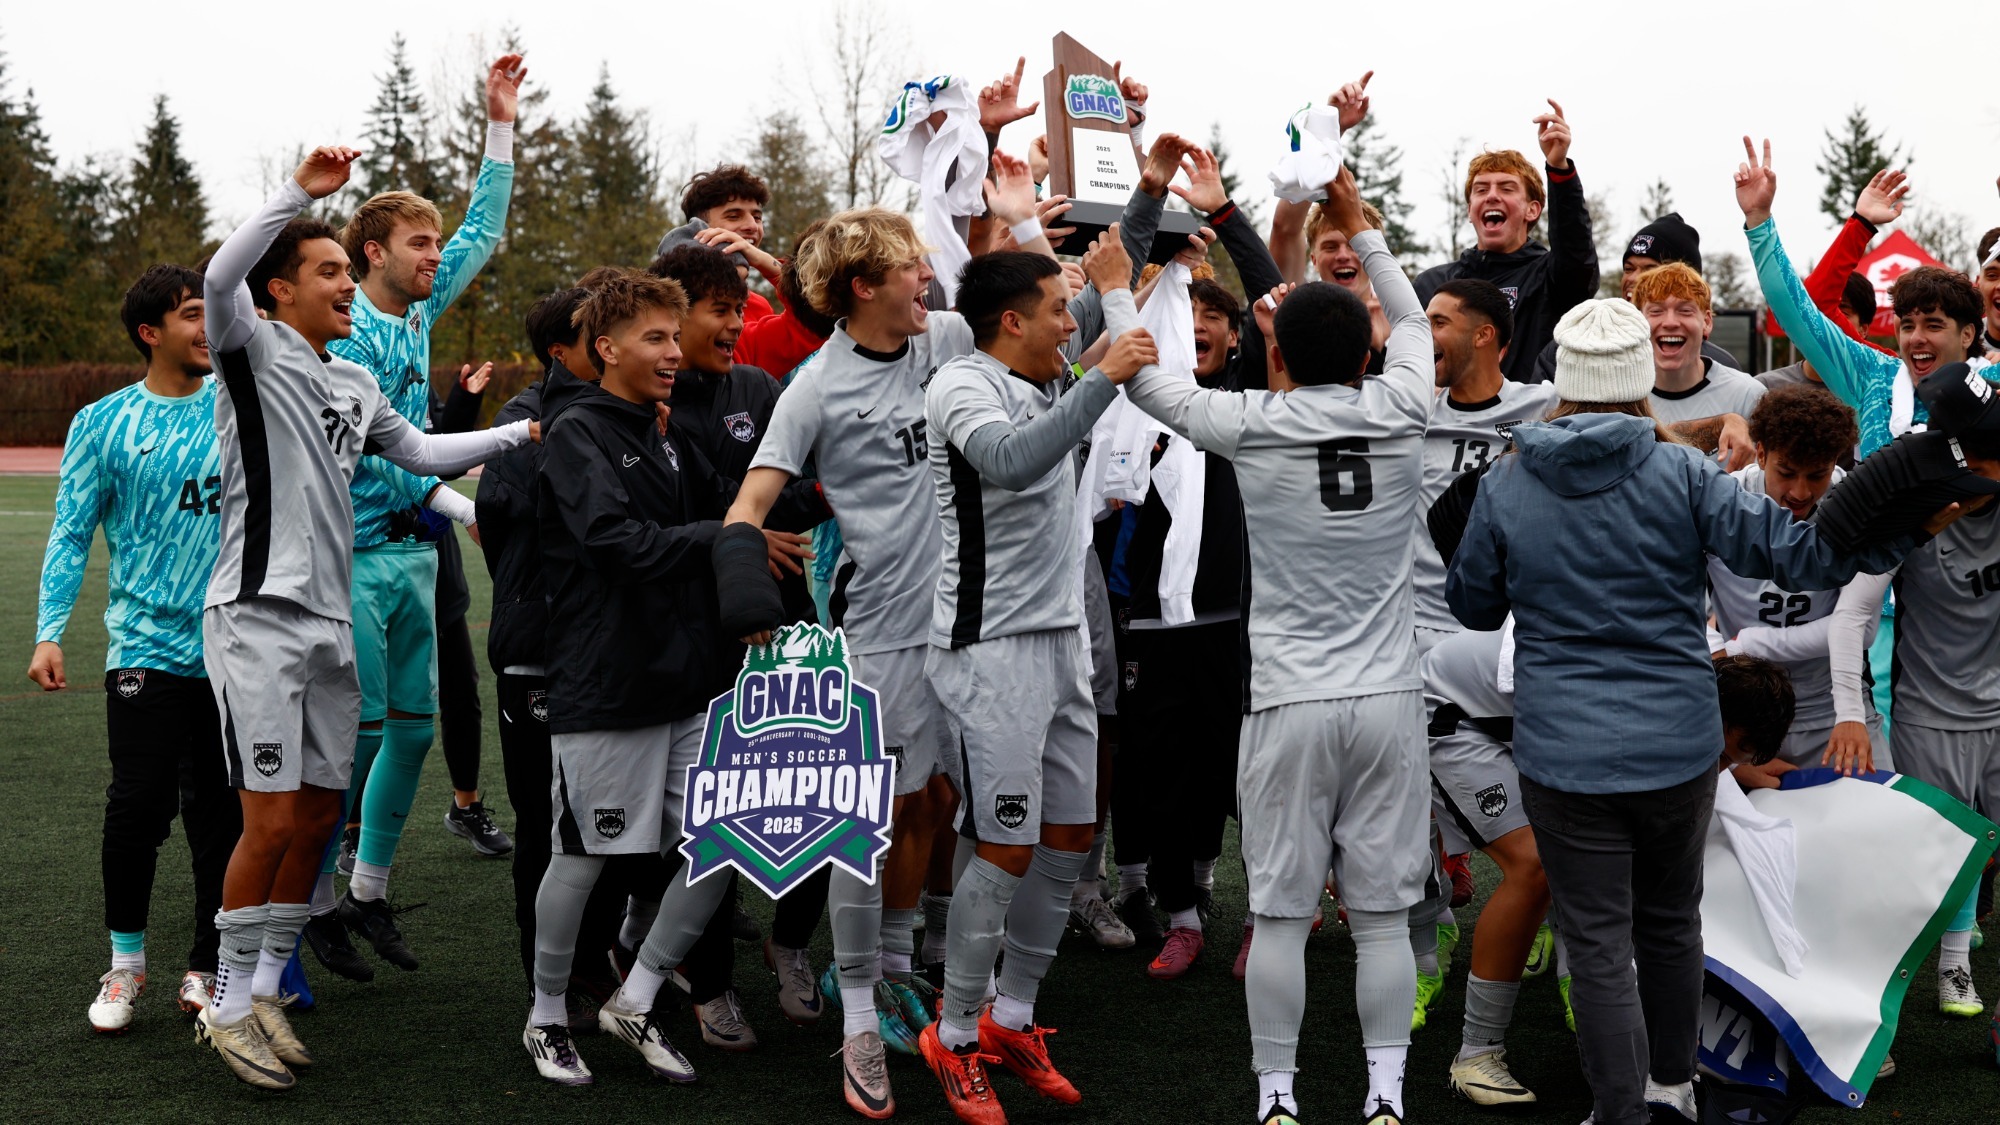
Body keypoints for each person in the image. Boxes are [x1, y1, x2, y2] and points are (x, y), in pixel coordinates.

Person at [1445, 297, 1935, 1125]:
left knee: (1598, 941)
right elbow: (1800, 553)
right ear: (1640, 378)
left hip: (1565, 752)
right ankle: (1672, 1084)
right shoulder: (1686, 474)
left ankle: (1620, 1107)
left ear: (1563, 378)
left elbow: (1473, 604)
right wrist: (1900, 521)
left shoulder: (1508, 481)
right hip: (1677, 744)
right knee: (1671, 923)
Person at [720, 157, 1054, 1119]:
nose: (928, 281)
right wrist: (748, 600)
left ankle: (918, 972)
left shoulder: (949, 337)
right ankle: (859, 1011)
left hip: (985, 625)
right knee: (869, 822)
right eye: (910, 267)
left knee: (951, 806)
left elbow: (1033, 306)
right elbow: (751, 502)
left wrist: (1012, 200)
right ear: (862, 286)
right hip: (885, 634)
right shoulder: (814, 387)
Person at [196, 146, 534, 1090]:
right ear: (281, 291)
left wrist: (518, 430)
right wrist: (300, 195)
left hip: (329, 622)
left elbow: (422, 451)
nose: (347, 283)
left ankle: (264, 984)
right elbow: (222, 272)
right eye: (330, 270)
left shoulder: (354, 383)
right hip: (255, 616)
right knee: (266, 823)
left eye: (349, 269)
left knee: (312, 817)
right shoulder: (247, 347)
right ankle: (223, 1008)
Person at [1122, 163, 1431, 1125]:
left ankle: (1278, 1094)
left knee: (1282, 916)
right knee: (1380, 919)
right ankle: (1384, 1093)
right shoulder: (1403, 400)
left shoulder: (1249, 420)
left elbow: (1143, 376)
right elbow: (1413, 321)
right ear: (1366, 352)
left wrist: (1106, 282)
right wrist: (1361, 229)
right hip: (1388, 699)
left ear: (1278, 355)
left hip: (1288, 699)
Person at [521, 272, 820, 1087]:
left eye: (671, 334)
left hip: (684, 681)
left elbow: (739, 505)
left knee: (727, 840)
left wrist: (824, 493)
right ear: (607, 348)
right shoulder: (577, 430)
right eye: (654, 337)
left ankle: (641, 991)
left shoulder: (664, 431)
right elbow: (618, 543)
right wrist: (730, 540)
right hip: (607, 685)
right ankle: (546, 1014)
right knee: (583, 858)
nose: (670, 351)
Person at [909, 236, 1154, 1125]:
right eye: (1058, 308)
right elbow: (1011, 462)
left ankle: (1014, 1017)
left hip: (1057, 643)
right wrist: (1103, 378)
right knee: (1005, 846)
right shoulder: (960, 384)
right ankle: (957, 1032)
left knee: (1067, 834)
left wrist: (1148, 197)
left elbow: (1100, 300)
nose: (1073, 319)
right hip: (990, 649)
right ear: (1010, 320)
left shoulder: (1041, 371)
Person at [327, 53, 523, 971]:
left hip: (416, 550)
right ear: (375, 252)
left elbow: (483, 232)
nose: (435, 255)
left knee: (412, 728)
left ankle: (366, 889)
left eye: (432, 243)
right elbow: (381, 451)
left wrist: (499, 123)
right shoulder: (340, 329)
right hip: (353, 554)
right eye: (418, 243)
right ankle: (317, 895)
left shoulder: (415, 313)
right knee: (357, 733)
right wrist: (456, 493)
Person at [32, 264, 243, 1032]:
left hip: (235, 647)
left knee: (220, 814)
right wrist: (49, 630)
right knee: (136, 809)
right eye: (193, 314)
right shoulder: (102, 421)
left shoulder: (240, 407)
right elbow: (70, 531)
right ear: (151, 332)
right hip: (146, 647)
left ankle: (208, 964)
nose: (208, 327)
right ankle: (125, 967)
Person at [1099, 141, 1284, 980]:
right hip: (1149, 621)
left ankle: (1260, 913)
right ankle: (1180, 914)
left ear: (1236, 338)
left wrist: (1220, 211)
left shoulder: (1246, 407)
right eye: (1186, 320)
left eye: (1214, 321)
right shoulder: (1136, 391)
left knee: (1252, 780)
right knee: (1162, 774)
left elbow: (1279, 295)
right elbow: (1105, 307)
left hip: (1240, 621)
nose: (1198, 329)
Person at [475, 286, 629, 1022]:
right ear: (562, 351)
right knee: (545, 823)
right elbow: (507, 527)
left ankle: (595, 960)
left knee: (609, 821)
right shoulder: (524, 422)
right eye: (594, 331)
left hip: (609, 653)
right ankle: (547, 981)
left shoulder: (626, 410)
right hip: (541, 654)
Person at [1827, 368, 2000, 1020]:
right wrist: (1851, 712)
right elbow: (1849, 616)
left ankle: (1956, 961)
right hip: (1931, 713)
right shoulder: (1914, 510)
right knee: (1926, 866)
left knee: (1985, 850)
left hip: (1997, 703)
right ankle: (1884, 996)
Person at [1410, 277, 1558, 1033]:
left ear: (1485, 336)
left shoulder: (1543, 406)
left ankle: (1565, 953)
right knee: (1404, 833)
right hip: (1421, 657)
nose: (1420, 329)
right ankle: (1426, 946)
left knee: (1558, 829)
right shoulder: (1401, 406)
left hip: (1520, 660)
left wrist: (1727, 416)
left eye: (1436, 319)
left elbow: (1642, 429)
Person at [1704, 386, 1892, 769]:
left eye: (1817, 475)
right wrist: (1717, 647)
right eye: (1786, 473)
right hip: (1737, 716)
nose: (1800, 492)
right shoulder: (1720, 500)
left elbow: (1862, 628)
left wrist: (1748, 643)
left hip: (1831, 707)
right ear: (1760, 453)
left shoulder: (1860, 504)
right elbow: (1681, 605)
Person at [1418, 627, 1552, 1107]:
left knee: (1587, 855)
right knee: (1536, 865)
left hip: (1533, 712)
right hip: (1457, 712)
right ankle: (1476, 1053)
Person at [1413, 100, 1598, 384]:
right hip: (1450, 425)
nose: (1492, 196)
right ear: (1469, 211)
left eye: (1507, 187)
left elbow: (1576, 252)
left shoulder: (1550, 278)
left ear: (1532, 210)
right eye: (1481, 189)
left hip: (1533, 425)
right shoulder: (1432, 285)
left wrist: (1559, 169)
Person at [1529, 212, 1741, 382]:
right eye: (1629, 268)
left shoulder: (1722, 369)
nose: (1634, 279)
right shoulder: (1575, 344)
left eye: (1650, 269)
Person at [1629, 263, 1766, 456]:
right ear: (1638, 322)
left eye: (1685, 311)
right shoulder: (1621, 397)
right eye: (1656, 311)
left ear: (1707, 322)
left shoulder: (1748, 396)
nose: (1670, 322)